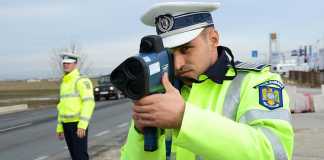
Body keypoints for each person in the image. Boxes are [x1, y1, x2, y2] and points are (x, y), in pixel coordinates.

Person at [121, 2, 294, 160]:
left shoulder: (255, 82)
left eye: (186, 49)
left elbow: (274, 153)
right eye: (170, 54)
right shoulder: (161, 91)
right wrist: (140, 133)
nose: (178, 64)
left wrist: (184, 119)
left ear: (213, 39)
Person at [56, 52, 95, 160]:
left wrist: (82, 125)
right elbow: (61, 106)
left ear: (75, 64)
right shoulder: (64, 83)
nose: (66, 65)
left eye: (69, 63)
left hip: (78, 125)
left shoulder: (81, 80)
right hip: (66, 125)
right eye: (64, 63)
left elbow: (89, 103)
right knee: (74, 156)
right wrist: (60, 126)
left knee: (80, 156)